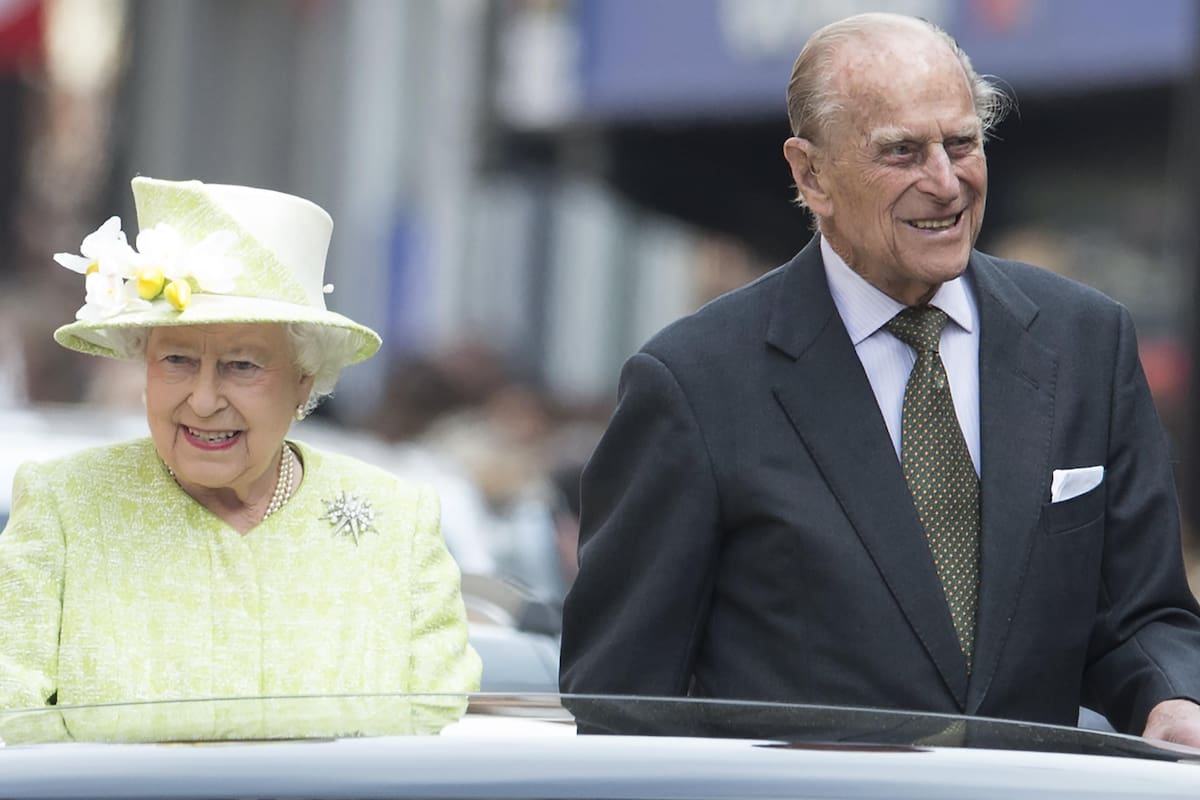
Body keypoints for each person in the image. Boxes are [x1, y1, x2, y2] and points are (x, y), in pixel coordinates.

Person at [559, 13, 1200, 746]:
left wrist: (1174, 698)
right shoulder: (694, 385)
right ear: (811, 174)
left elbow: (1142, 615)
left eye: (962, 143)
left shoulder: (1086, 342)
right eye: (902, 152)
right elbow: (623, 701)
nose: (945, 181)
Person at [0, 176, 481, 737]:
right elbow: (13, 723)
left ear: (304, 382)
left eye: (243, 365)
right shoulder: (65, 505)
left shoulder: (398, 520)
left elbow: (433, 735)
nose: (203, 401)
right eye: (177, 359)